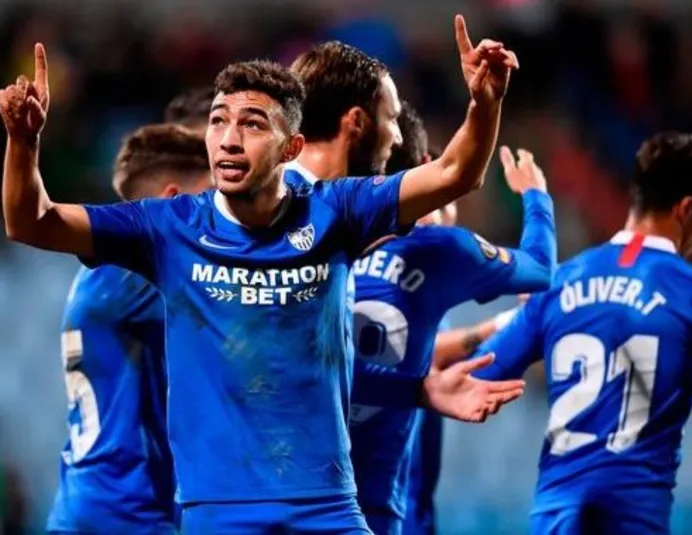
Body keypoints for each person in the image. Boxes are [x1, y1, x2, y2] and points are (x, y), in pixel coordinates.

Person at [2, 16, 524, 533]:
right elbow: (31, 222)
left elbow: (456, 172)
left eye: (252, 124)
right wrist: (23, 144)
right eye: (218, 121)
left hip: (327, 509)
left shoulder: (336, 209)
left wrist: (485, 102)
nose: (230, 139)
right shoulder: (168, 226)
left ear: (291, 147)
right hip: (220, 514)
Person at [474, 132, 692, 534]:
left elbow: (482, 372)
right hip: (633, 520)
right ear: (687, 208)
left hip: (555, 520)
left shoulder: (561, 281)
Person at [347, 101, 556, 534]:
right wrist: (537, 197)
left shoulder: (323, 240)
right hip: (391, 509)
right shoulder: (435, 249)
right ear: (429, 167)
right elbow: (539, 270)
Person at [47, 124, 212, 535]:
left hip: (82, 505)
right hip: (131, 510)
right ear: (172, 200)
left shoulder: (100, 276)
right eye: (210, 197)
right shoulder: (137, 278)